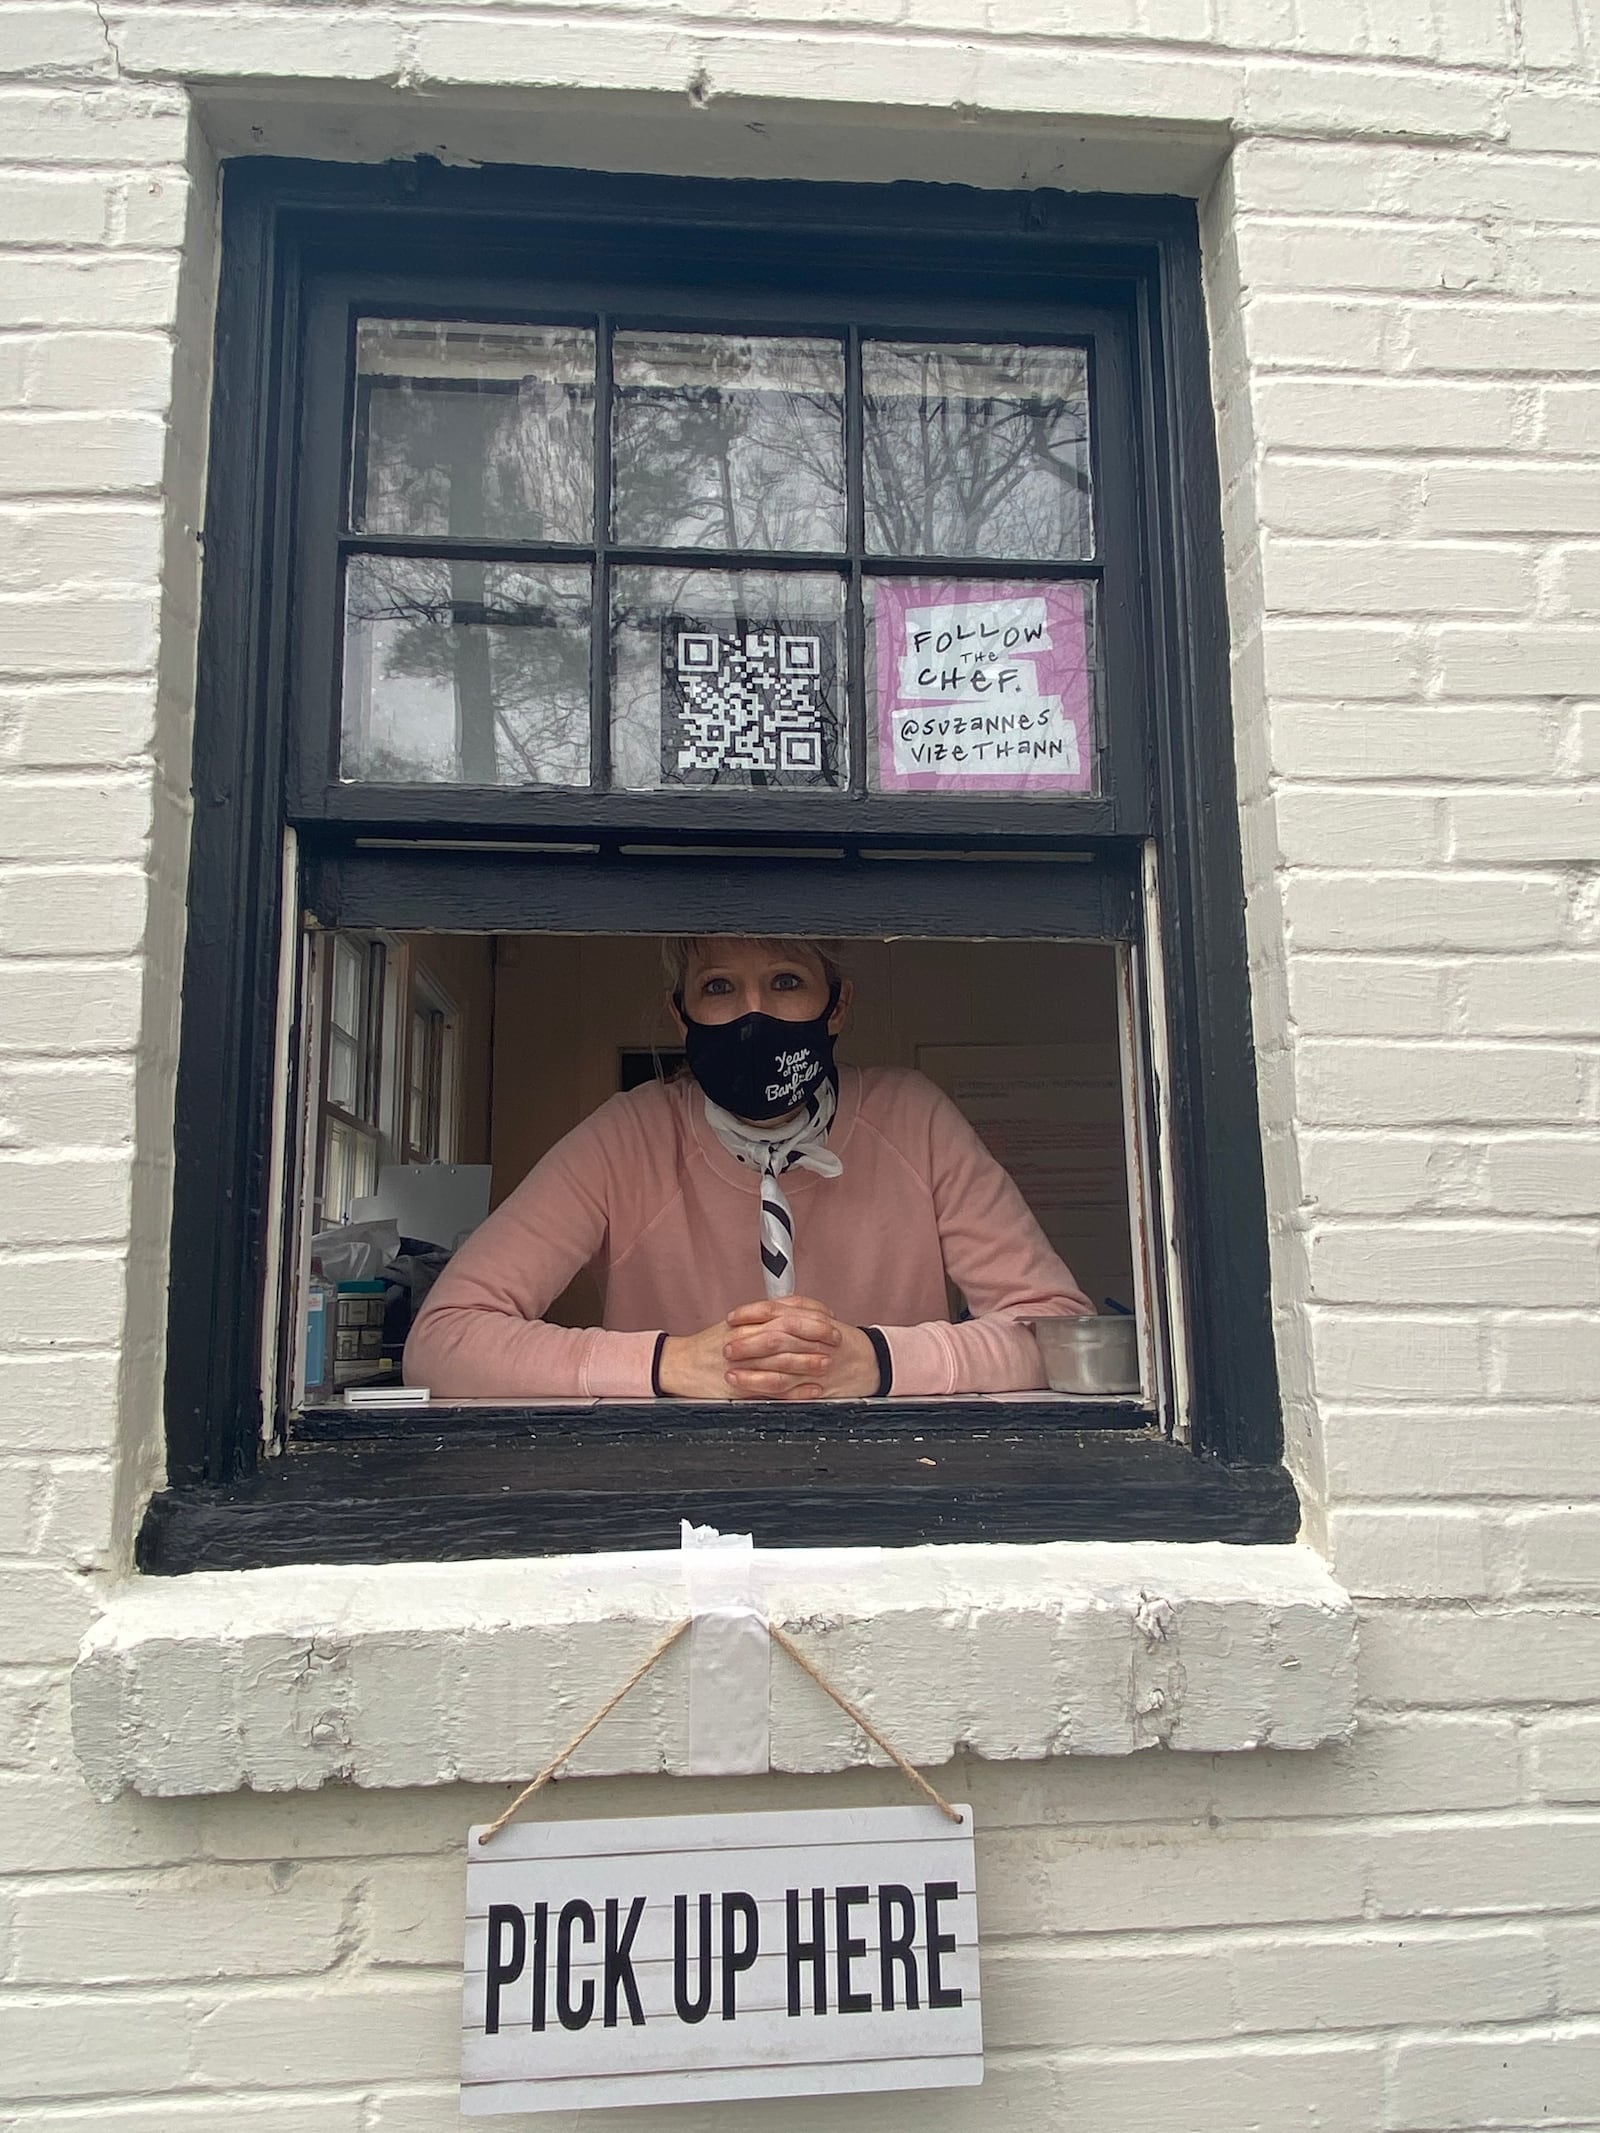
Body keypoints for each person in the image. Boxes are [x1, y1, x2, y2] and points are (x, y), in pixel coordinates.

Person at [404, 936, 1093, 1401]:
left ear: (838, 1005)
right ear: (684, 1015)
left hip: (888, 1496)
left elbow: (1057, 1331)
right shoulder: (629, 1136)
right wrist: (670, 1363)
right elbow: (442, 1342)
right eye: (719, 986)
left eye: (786, 981)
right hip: (681, 1512)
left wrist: (878, 1362)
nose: (752, 1013)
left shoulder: (913, 1119)